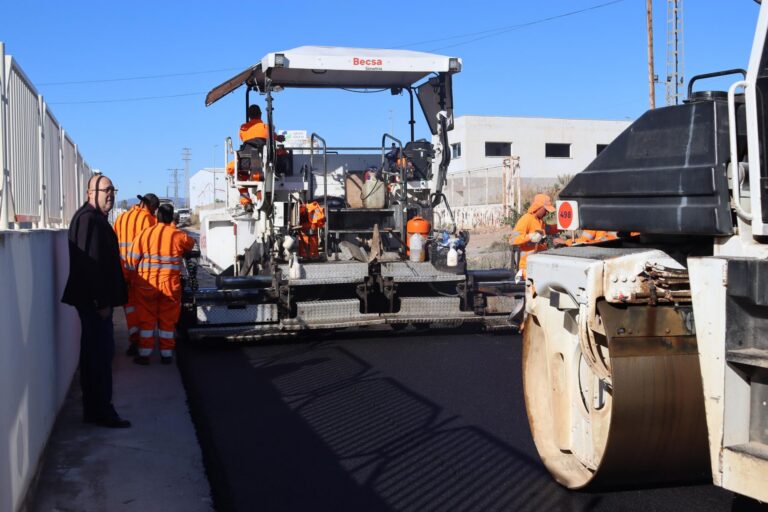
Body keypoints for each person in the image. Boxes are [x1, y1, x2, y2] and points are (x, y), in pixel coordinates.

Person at [61, 174, 131, 428]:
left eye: (113, 189)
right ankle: (101, 411)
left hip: (95, 303)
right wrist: (100, 302)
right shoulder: (88, 220)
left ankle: (96, 409)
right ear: (91, 193)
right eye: (106, 190)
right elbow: (88, 265)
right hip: (95, 305)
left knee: (96, 356)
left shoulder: (94, 218)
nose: (111, 194)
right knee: (100, 357)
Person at [127, 203, 195, 365]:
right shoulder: (177, 235)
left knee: (146, 320)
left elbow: (131, 261)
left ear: (156, 217)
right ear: (172, 218)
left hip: (146, 286)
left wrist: (132, 279)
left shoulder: (145, 234)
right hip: (170, 287)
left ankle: (144, 354)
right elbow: (191, 243)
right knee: (167, 321)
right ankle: (166, 355)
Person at [113, 193, 159, 355]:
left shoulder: (120, 218)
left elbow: (114, 244)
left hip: (122, 272)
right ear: (150, 208)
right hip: (141, 273)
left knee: (130, 308)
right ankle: (144, 342)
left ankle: (134, 339)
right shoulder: (149, 220)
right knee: (144, 309)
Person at [510, 193, 565, 279]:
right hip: (526, 267)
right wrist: (530, 237)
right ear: (538, 207)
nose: (547, 212)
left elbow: (550, 229)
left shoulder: (540, 222)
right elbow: (512, 240)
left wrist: (564, 225)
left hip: (537, 265)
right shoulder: (526, 219)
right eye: (545, 209)